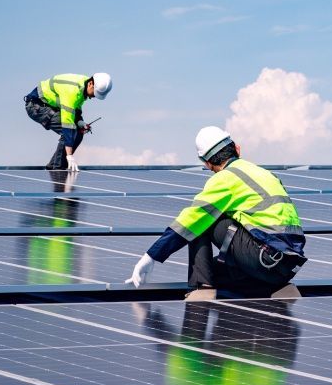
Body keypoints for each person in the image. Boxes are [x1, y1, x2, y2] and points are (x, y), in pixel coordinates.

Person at [126, 126, 307, 300]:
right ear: (237, 148)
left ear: (207, 162)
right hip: (287, 266)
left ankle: (202, 288)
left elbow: (191, 219)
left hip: (264, 257)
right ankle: (275, 289)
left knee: (203, 218)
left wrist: (151, 256)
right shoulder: (265, 173)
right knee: (215, 271)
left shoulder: (225, 178)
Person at [25, 73, 112, 171]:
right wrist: (69, 155)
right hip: (36, 106)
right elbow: (67, 125)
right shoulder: (72, 91)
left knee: (79, 132)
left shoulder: (83, 86)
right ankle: (58, 170)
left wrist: (80, 122)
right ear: (91, 83)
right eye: (95, 93)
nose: (94, 97)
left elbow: (75, 107)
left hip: (49, 105)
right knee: (70, 131)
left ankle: (54, 165)